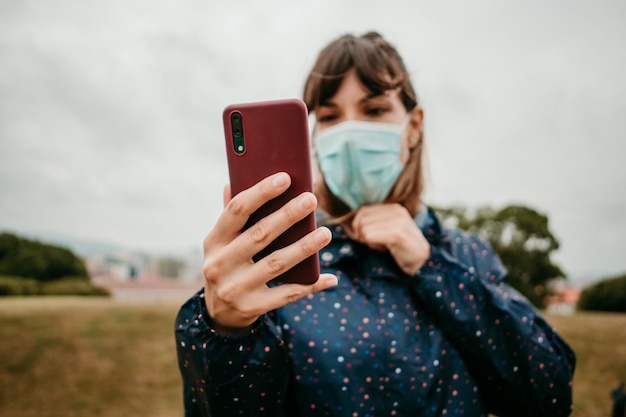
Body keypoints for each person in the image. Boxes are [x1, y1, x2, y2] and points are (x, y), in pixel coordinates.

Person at [175, 31, 576, 417]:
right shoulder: (283, 265)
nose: (350, 133)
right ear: (314, 137)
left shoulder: (465, 255)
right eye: (330, 116)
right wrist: (223, 330)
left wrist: (429, 264)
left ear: (413, 126)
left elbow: (549, 395)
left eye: (375, 109)